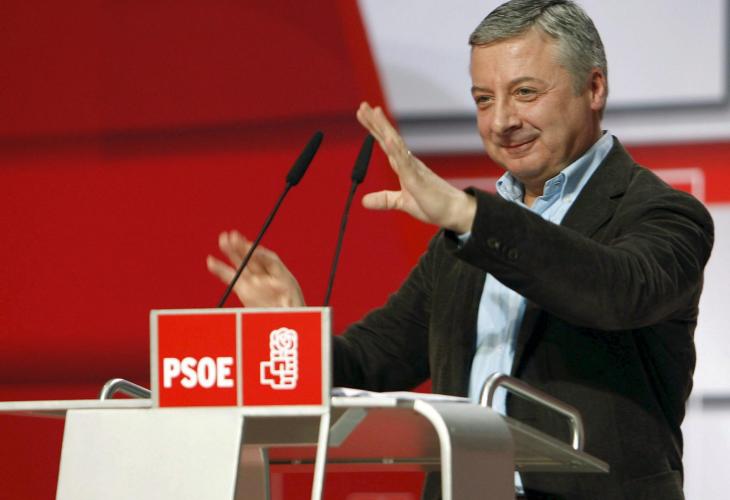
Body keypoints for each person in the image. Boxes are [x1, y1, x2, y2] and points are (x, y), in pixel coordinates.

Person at [207, 1, 714, 498]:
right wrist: (290, 332)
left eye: (525, 92)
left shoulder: (664, 214)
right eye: (484, 99)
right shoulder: (464, 241)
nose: (501, 121)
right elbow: (370, 364)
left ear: (594, 87)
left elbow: (615, 291)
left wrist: (469, 217)